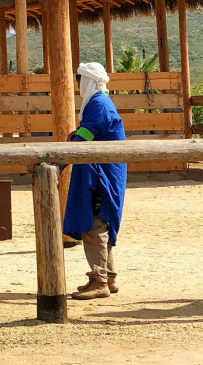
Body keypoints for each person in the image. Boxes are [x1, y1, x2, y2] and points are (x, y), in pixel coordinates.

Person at [63, 62, 127, 300]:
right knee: (100, 223)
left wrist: (59, 163)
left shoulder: (99, 104)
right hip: (102, 172)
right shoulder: (97, 103)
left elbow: (86, 136)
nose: (78, 83)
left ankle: (99, 281)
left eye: (79, 79)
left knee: (94, 224)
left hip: (102, 176)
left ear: (88, 80)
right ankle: (108, 278)